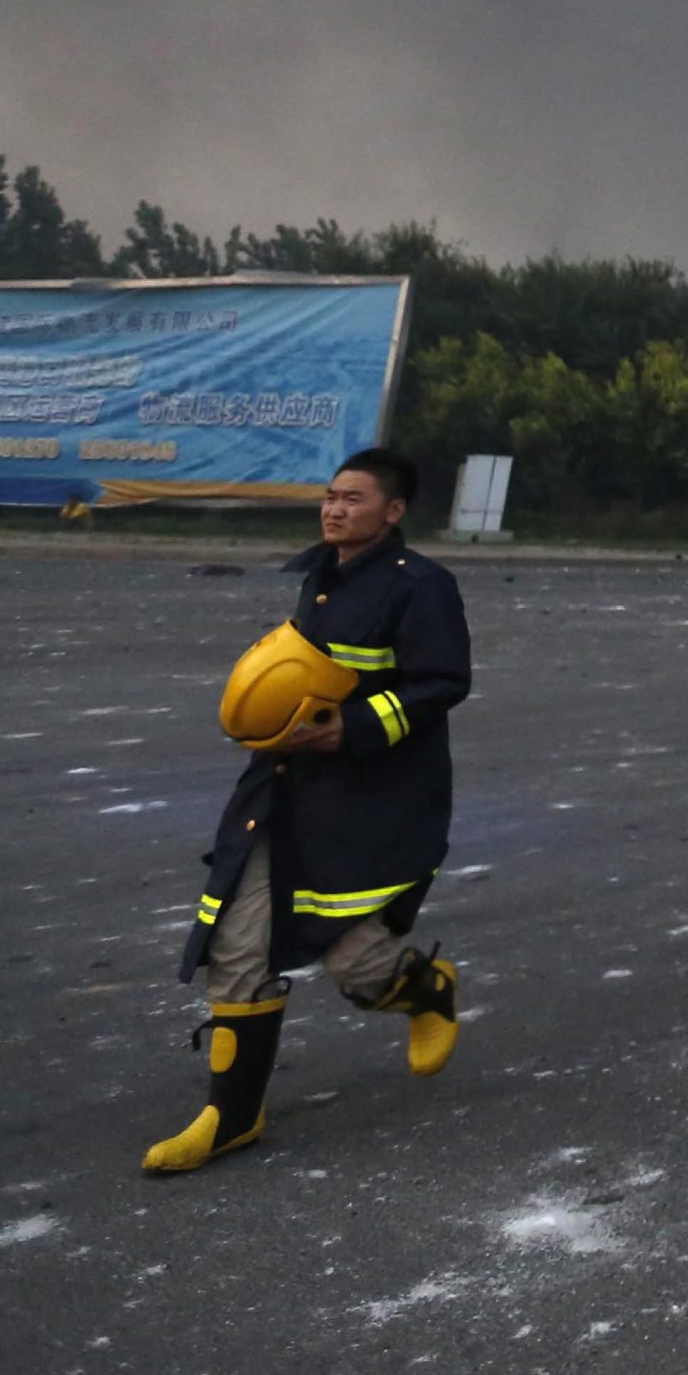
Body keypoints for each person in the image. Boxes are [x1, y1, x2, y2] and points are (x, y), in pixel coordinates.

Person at [146, 447, 473, 1175]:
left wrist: (349, 730)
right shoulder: (318, 579)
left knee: (355, 962)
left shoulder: (422, 586)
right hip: (284, 791)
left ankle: (427, 989)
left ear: (392, 512)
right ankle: (231, 1117)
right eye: (330, 496)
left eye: (353, 499)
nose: (334, 509)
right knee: (235, 942)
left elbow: (442, 684)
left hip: (375, 801)